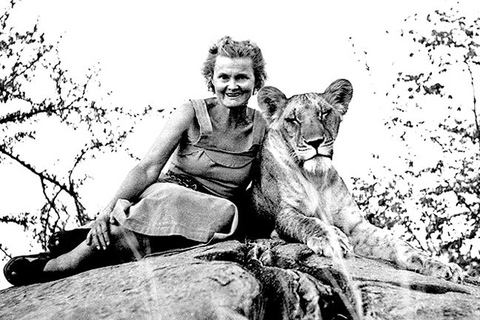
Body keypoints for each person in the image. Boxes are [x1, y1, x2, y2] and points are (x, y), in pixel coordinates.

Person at [4, 36, 268, 286]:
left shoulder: (263, 127)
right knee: (169, 199)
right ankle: (66, 262)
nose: (232, 85)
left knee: (224, 213)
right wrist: (104, 212)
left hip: (212, 211)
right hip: (169, 193)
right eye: (224, 77)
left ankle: (84, 243)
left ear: (257, 81)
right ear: (212, 80)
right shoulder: (192, 112)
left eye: (241, 77)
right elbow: (148, 167)